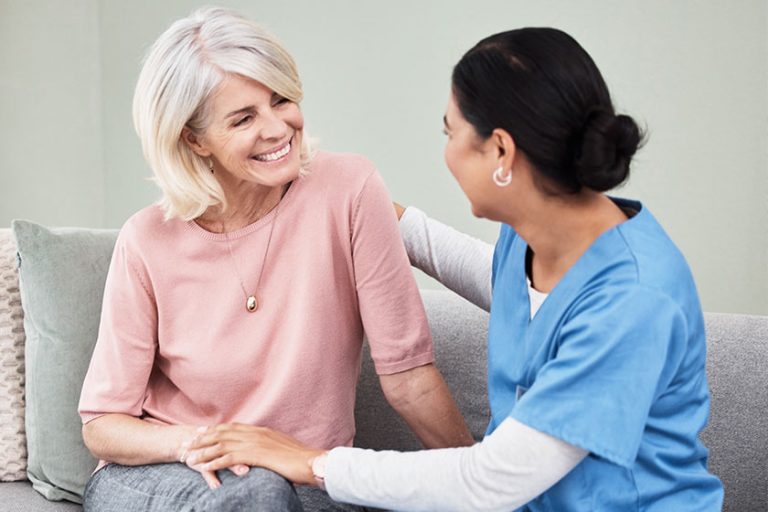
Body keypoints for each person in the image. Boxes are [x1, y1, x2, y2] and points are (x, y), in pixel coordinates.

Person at [184, 27, 725, 511]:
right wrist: (359, 207)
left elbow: (490, 481)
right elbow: (510, 286)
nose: (445, 153)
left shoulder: (632, 301)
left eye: (450, 133)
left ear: (501, 152)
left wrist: (309, 462)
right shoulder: (536, 236)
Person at [77, 7, 473, 512]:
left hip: (300, 482)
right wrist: (202, 444)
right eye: (243, 118)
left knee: (272, 493)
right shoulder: (146, 239)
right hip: (164, 473)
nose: (277, 128)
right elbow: (103, 426)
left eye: (280, 99)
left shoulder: (349, 190)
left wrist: (488, 487)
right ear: (194, 139)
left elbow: (410, 377)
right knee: (258, 494)